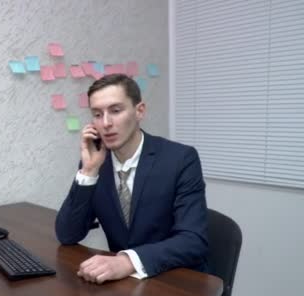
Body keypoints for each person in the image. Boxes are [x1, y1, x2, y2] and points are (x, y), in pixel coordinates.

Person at [55, 74, 208, 284]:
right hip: (124, 286)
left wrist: (128, 261)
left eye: (116, 111)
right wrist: (89, 171)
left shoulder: (180, 159)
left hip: (174, 281)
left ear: (139, 111)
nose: (106, 123)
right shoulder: (96, 163)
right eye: (97, 114)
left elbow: (193, 241)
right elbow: (67, 234)